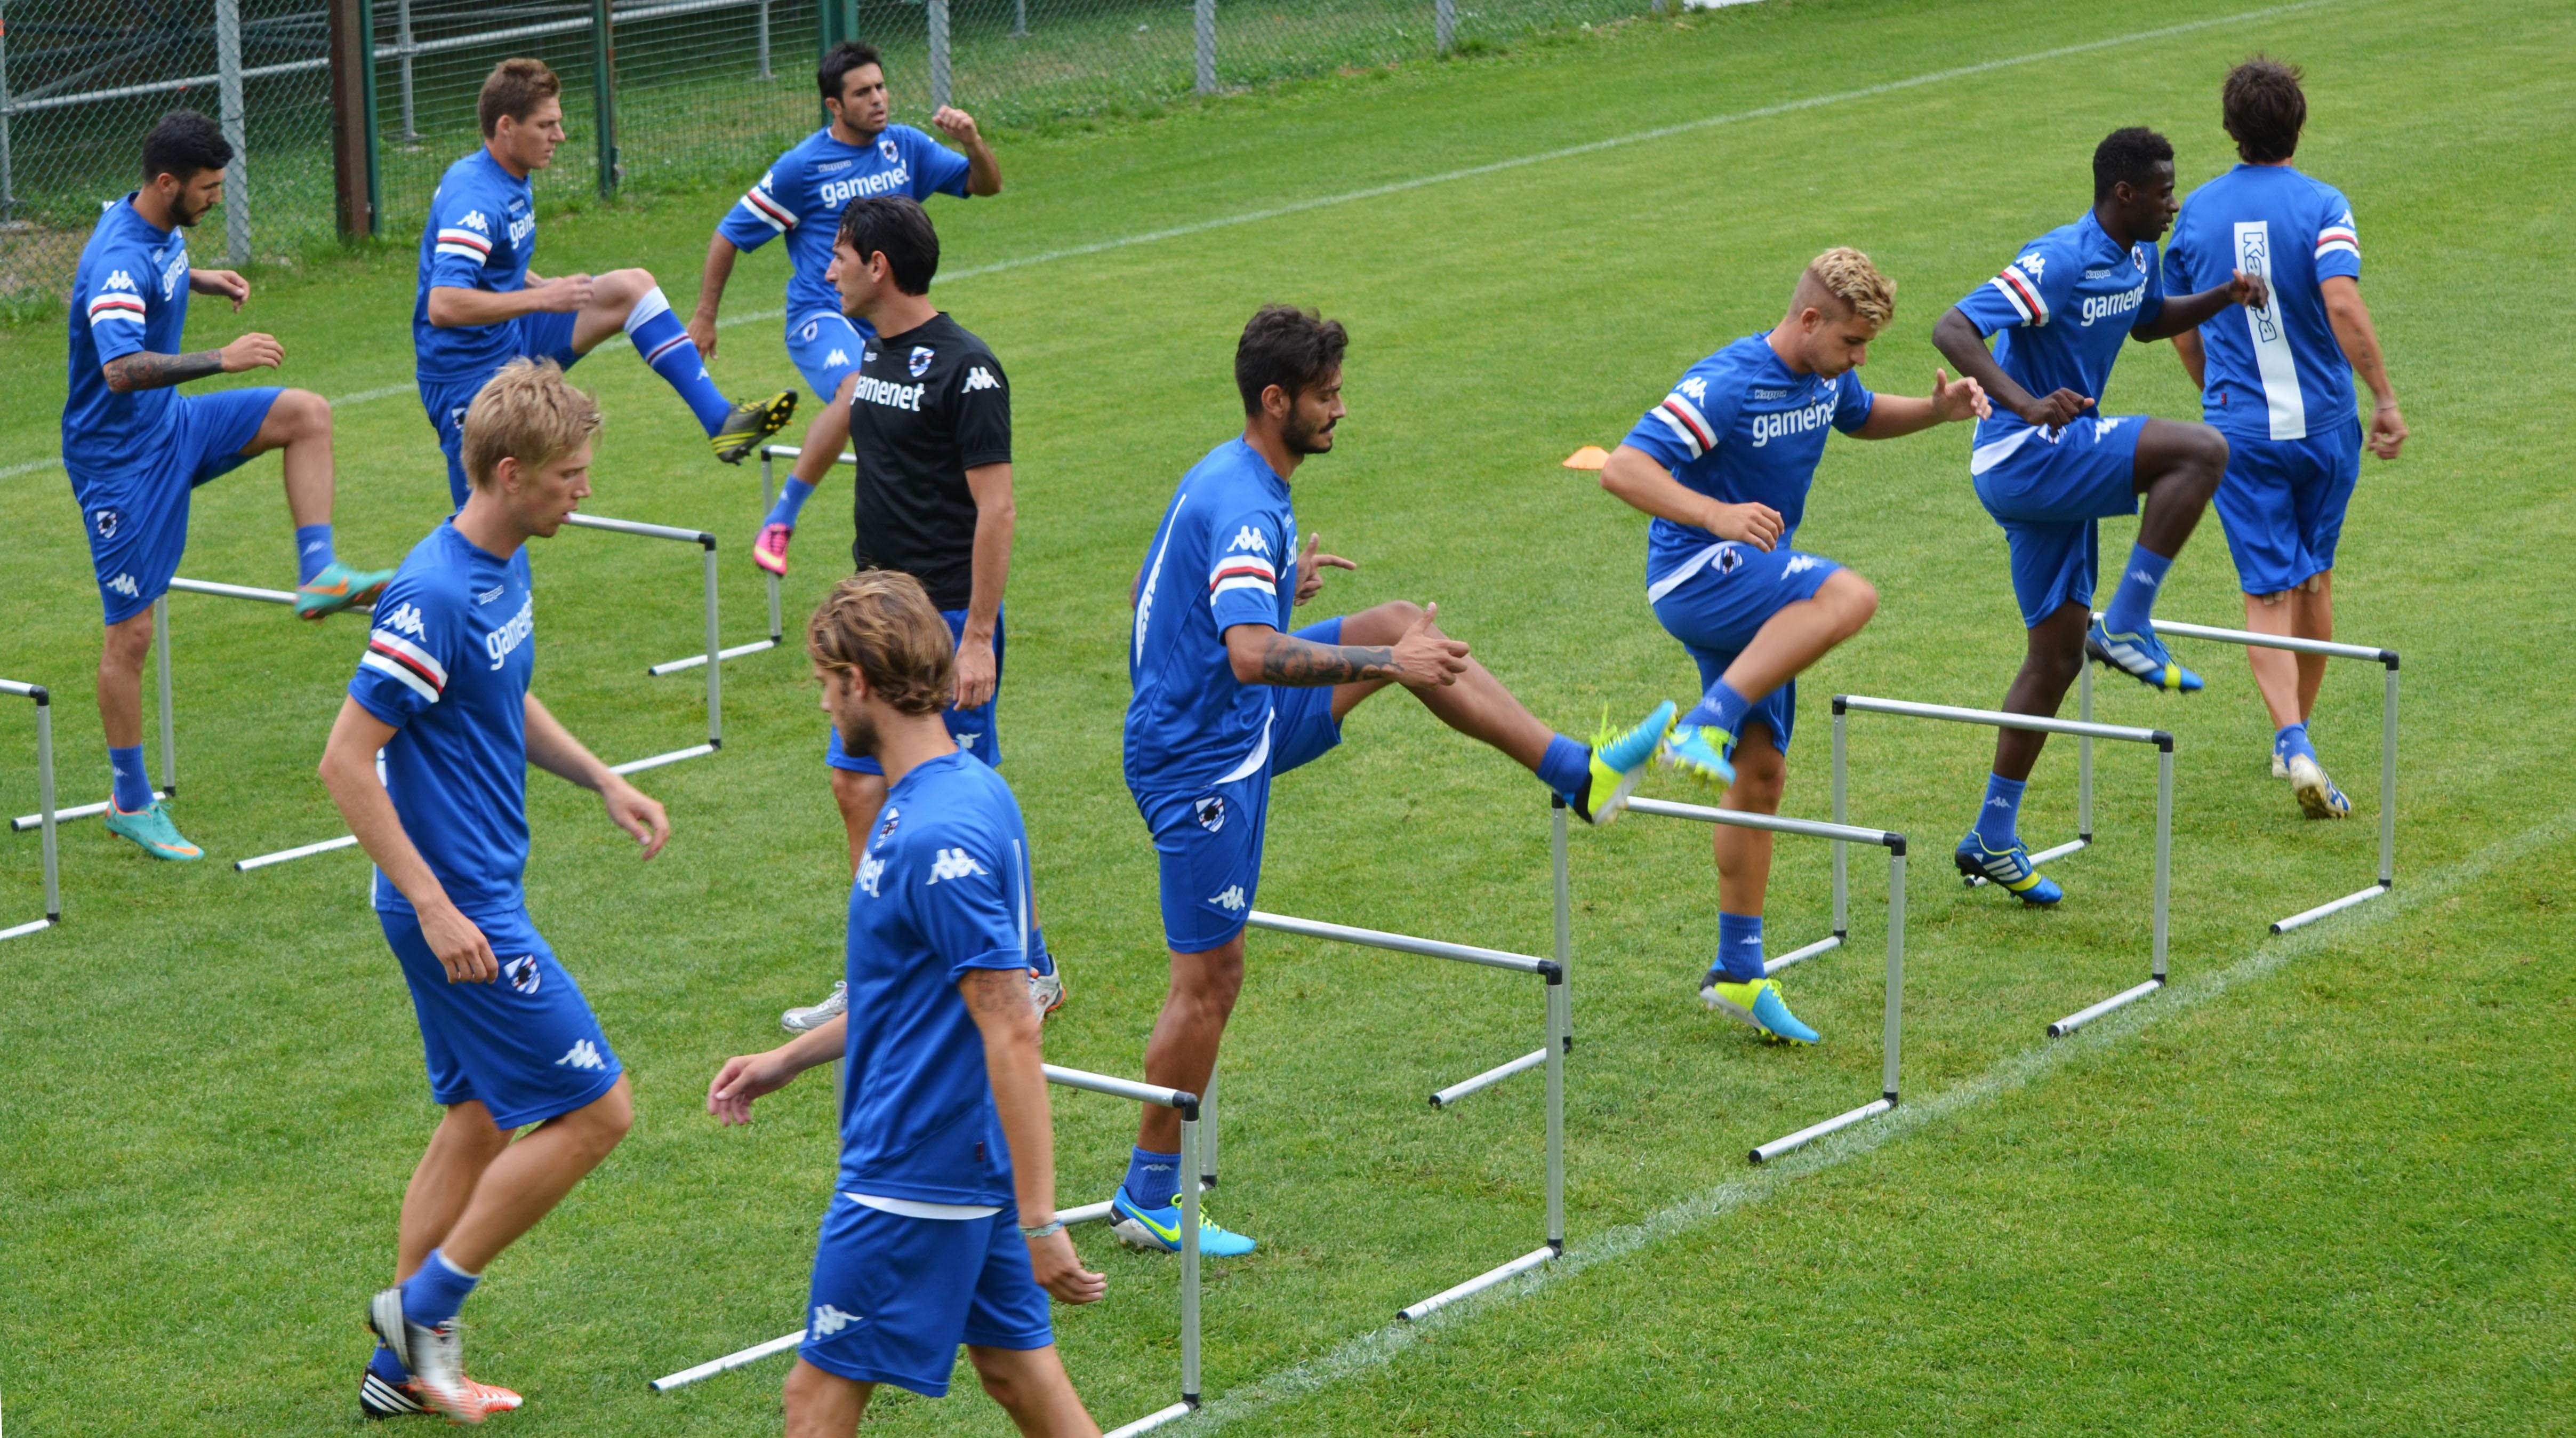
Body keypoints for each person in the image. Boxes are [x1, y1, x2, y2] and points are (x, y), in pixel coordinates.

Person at [1110, 305, 1675, 1256]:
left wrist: (1288, 597)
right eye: (1326, 397)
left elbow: (1151, 596)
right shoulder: (1246, 501)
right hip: (1199, 762)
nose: (1341, 411)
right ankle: (1147, 1195)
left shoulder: (1236, 475)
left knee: (1395, 621)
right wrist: (1379, 671)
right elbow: (1248, 656)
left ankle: (1575, 770)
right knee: (1210, 979)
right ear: (1275, 399)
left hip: (1230, 726)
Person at [320, 360, 671, 1424]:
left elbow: (501, 698)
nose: (586, 490)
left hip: (466, 896)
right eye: (569, 474)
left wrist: (601, 776)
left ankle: (400, 1376)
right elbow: (344, 760)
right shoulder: (429, 593)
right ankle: (422, 1313)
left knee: (475, 1116)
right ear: (511, 473)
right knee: (597, 1109)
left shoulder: (502, 564)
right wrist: (437, 907)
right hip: (461, 909)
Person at [707, 572, 1105, 1438]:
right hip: (961, 1155)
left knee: (814, 1405)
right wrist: (788, 1059)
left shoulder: (937, 836)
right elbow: (918, 995)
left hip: (913, 1166)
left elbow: (1012, 1024)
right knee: (1020, 1380)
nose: (821, 703)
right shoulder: (955, 794)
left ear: (860, 682)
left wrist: (1042, 1222)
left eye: (823, 682)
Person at [1599, 248, 1988, 1044]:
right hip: (1696, 572)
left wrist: (1934, 410)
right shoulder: (1728, 382)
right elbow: (1622, 469)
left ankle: (1736, 972)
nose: (1857, 360)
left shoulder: (1824, 376)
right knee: (1848, 594)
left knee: (1762, 773)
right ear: (1808, 320)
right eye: (1849, 342)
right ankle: (1704, 721)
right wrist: (1715, 516)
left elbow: (1858, 410)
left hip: (1749, 580)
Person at [1931, 126, 2270, 906]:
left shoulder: (2136, 256)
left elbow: (2146, 320)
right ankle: (2127, 619)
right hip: (2026, 454)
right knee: (2201, 452)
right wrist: (2022, 403)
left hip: (2057, 458)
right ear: (2123, 194)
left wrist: (2223, 294)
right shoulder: (2059, 256)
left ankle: (1990, 835)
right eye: (2161, 191)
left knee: (2053, 658)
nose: (2171, 202)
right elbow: (1951, 327)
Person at [65, 110, 394, 863]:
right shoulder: (120, 259)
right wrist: (223, 356)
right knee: (133, 633)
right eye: (208, 189)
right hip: (118, 462)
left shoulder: (147, 216)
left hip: (170, 428)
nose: (216, 199)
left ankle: (321, 576)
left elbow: (156, 265)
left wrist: (201, 279)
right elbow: (118, 371)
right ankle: (129, 799)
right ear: (168, 182)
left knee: (305, 415)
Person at [774, 195, 1060, 1035]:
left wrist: (974, 638)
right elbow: (838, 422)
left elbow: (996, 510)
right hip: (878, 612)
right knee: (854, 785)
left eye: (838, 253)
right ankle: (881, 971)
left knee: (962, 794)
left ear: (878, 267)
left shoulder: (966, 369)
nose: (826, 267)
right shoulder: (875, 352)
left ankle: (1031, 968)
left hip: (939, 622)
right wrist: (787, 506)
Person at [2163, 56, 2406, 819]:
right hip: (2324, 426)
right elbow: (2339, 300)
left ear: (2230, 131)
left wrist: (2213, 390)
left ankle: (2291, 739)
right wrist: (2384, 397)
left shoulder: (2197, 213)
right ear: (2296, 124)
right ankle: (2293, 740)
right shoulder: (2323, 203)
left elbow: (2181, 326)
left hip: (2241, 429)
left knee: (2262, 590)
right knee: (2314, 578)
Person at [415, 58, 795, 508]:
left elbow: (492, 266)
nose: (560, 136)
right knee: (488, 525)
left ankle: (721, 422)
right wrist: (542, 297)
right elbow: (444, 304)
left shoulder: (510, 175)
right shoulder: (475, 197)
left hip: (510, 339)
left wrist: (536, 284)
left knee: (630, 288)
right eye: (547, 125)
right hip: (466, 378)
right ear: (506, 127)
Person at [686, 41, 1001, 578]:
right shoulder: (800, 168)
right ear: (835, 105)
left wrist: (972, 142)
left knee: (917, 417)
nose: (878, 99)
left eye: (881, 87)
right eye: (863, 92)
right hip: (821, 315)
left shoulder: (905, 147)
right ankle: (780, 521)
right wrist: (705, 317)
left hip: (890, 320)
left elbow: (985, 185)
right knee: (858, 391)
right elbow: (728, 235)